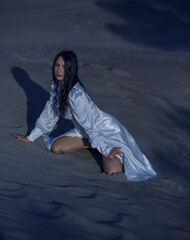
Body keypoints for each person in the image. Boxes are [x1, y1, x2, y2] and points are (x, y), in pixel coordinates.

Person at [12, 50, 156, 181]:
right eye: (57, 65)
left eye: (64, 67)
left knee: (112, 171)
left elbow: (91, 127)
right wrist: (31, 137)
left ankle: (106, 147)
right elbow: (49, 114)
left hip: (104, 130)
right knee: (56, 147)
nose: (59, 70)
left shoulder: (76, 95)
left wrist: (106, 149)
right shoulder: (57, 87)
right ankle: (93, 145)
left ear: (71, 69)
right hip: (85, 132)